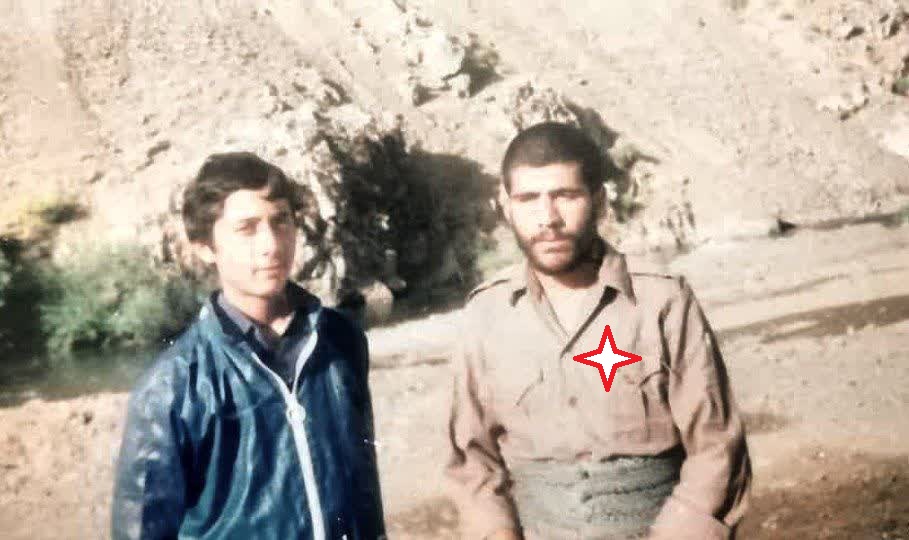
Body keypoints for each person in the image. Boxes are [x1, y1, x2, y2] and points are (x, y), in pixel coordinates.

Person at [446, 123, 751, 539]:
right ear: (506, 206)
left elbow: (717, 448)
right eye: (528, 199)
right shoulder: (487, 314)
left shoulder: (662, 301)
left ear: (599, 201)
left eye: (566, 196)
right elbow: (472, 461)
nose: (548, 218)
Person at [111, 152, 385, 539]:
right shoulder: (174, 385)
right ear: (205, 246)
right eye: (247, 229)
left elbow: (363, 483)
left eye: (281, 220)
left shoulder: (340, 339)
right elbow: (141, 530)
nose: (271, 244)